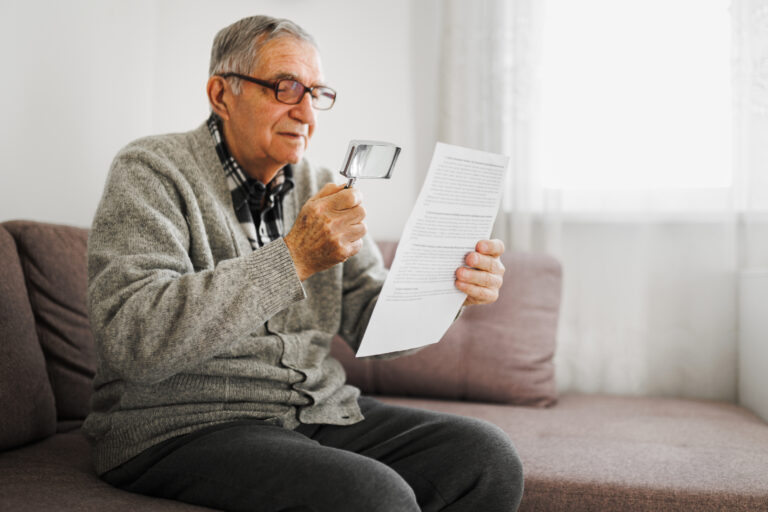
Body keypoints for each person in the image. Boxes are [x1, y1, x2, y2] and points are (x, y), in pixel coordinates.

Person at [84, 14, 524, 512]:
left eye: (317, 94)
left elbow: (369, 325)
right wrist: (293, 258)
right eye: (286, 87)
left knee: (486, 458)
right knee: (374, 496)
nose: (307, 113)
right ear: (221, 94)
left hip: (312, 409)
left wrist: (449, 286)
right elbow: (133, 339)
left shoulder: (318, 185)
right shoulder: (151, 171)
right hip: (182, 424)